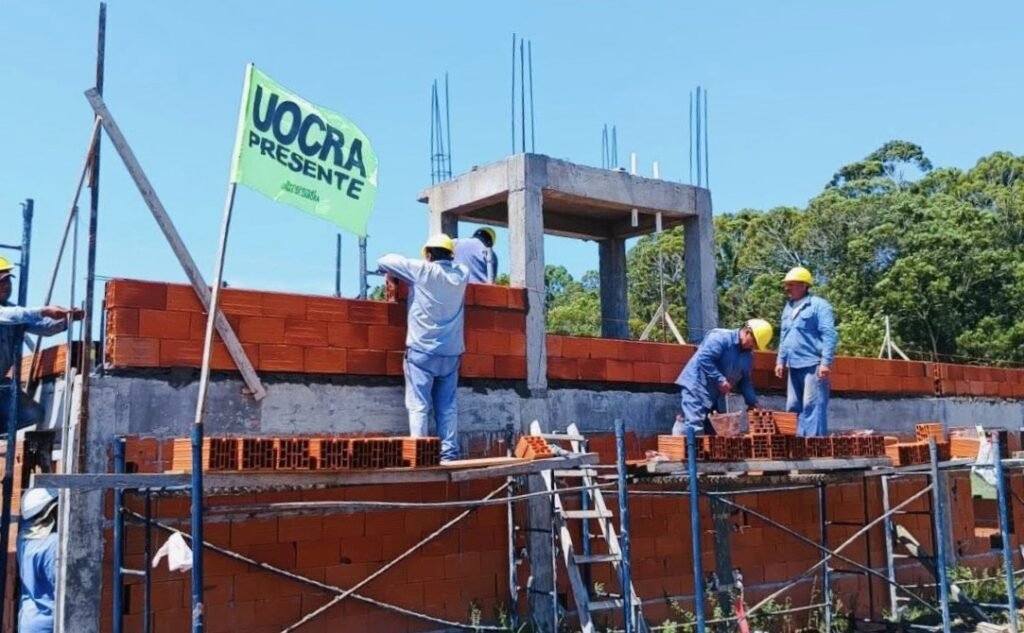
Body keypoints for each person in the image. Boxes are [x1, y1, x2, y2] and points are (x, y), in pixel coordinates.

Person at [378, 235, 469, 462]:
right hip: (451, 353)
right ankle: (449, 454)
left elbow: (384, 261)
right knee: (447, 407)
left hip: (422, 352)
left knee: (419, 405)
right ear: (450, 255)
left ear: (428, 255)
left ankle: (420, 455)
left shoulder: (422, 270)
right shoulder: (462, 275)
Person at [0, 257, 82, 431]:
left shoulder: (15, 312)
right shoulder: (11, 313)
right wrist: (44, 310)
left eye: (8, 281)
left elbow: (44, 327)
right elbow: (10, 315)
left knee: (32, 414)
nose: (6, 286)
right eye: (1, 281)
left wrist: (67, 319)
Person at [673, 319, 774, 436]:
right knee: (694, 426)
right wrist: (720, 379)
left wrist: (753, 402)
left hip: (713, 395)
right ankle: (682, 446)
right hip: (696, 387)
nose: (754, 346)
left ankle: (685, 440)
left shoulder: (748, 355)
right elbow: (704, 358)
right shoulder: (721, 337)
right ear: (747, 332)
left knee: (714, 433)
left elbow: (745, 381)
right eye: (754, 342)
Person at [774, 266, 838, 437]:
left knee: (812, 406)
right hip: (793, 365)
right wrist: (780, 360)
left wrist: (825, 363)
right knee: (793, 406)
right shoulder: (788, 308)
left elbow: (829, 334)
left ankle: (813, 445)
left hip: (813, 365)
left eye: (791, 284)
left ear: (804, 285)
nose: (787, 288)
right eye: (786, 284)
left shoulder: (819, 306)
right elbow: (784, 336)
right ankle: (798, 445)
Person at [17, 487, 58, 633]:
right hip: (50, 625)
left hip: (28, 621)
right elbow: (65, 590)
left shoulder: (24, 539)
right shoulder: (54, 544)